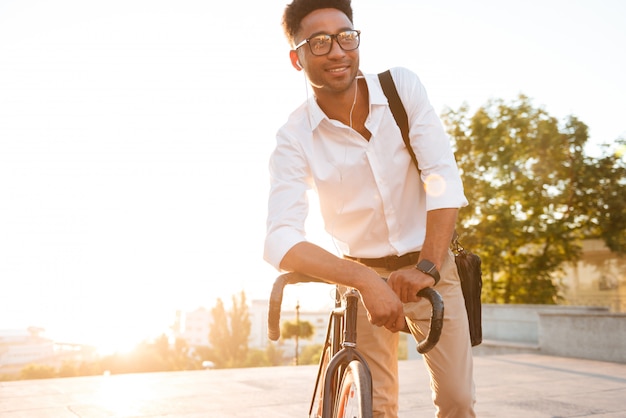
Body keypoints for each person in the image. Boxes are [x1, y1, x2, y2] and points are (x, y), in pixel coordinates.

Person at [263, 0, 476, 416]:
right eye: (319, 42)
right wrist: (363, 279)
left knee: (458, 401)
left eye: (345, 37)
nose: (338, 51)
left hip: (432, 266)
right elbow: (281, 239)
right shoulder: (293, 137)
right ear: (297, 58)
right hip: (361, 277)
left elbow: (442, 178)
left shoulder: (401, 88)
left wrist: (428, 267)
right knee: (374, 408)